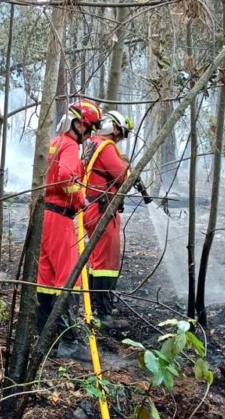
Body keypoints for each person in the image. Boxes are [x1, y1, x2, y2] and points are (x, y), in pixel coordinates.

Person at [36, 98, 102, 358]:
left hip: (44, 218)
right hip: (60, 218)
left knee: (46, 278)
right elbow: (65, 177)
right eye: (90, 129)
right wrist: (80, 200)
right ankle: (70, 341)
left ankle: (45, 339)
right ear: (82, 125)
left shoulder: (53, 143)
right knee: (68, 278)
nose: (89, 135)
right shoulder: (70, 146)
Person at [82, 110, 134, 323]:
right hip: (102, 210)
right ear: (113, 128)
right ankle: (102, 313)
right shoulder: (106, 147)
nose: (119, 139)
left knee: (97, 259)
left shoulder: (92, 143)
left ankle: (94, 307)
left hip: (93, 208)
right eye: (120, 134)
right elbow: (124, 176)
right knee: (107, 262)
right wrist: (126, 164)